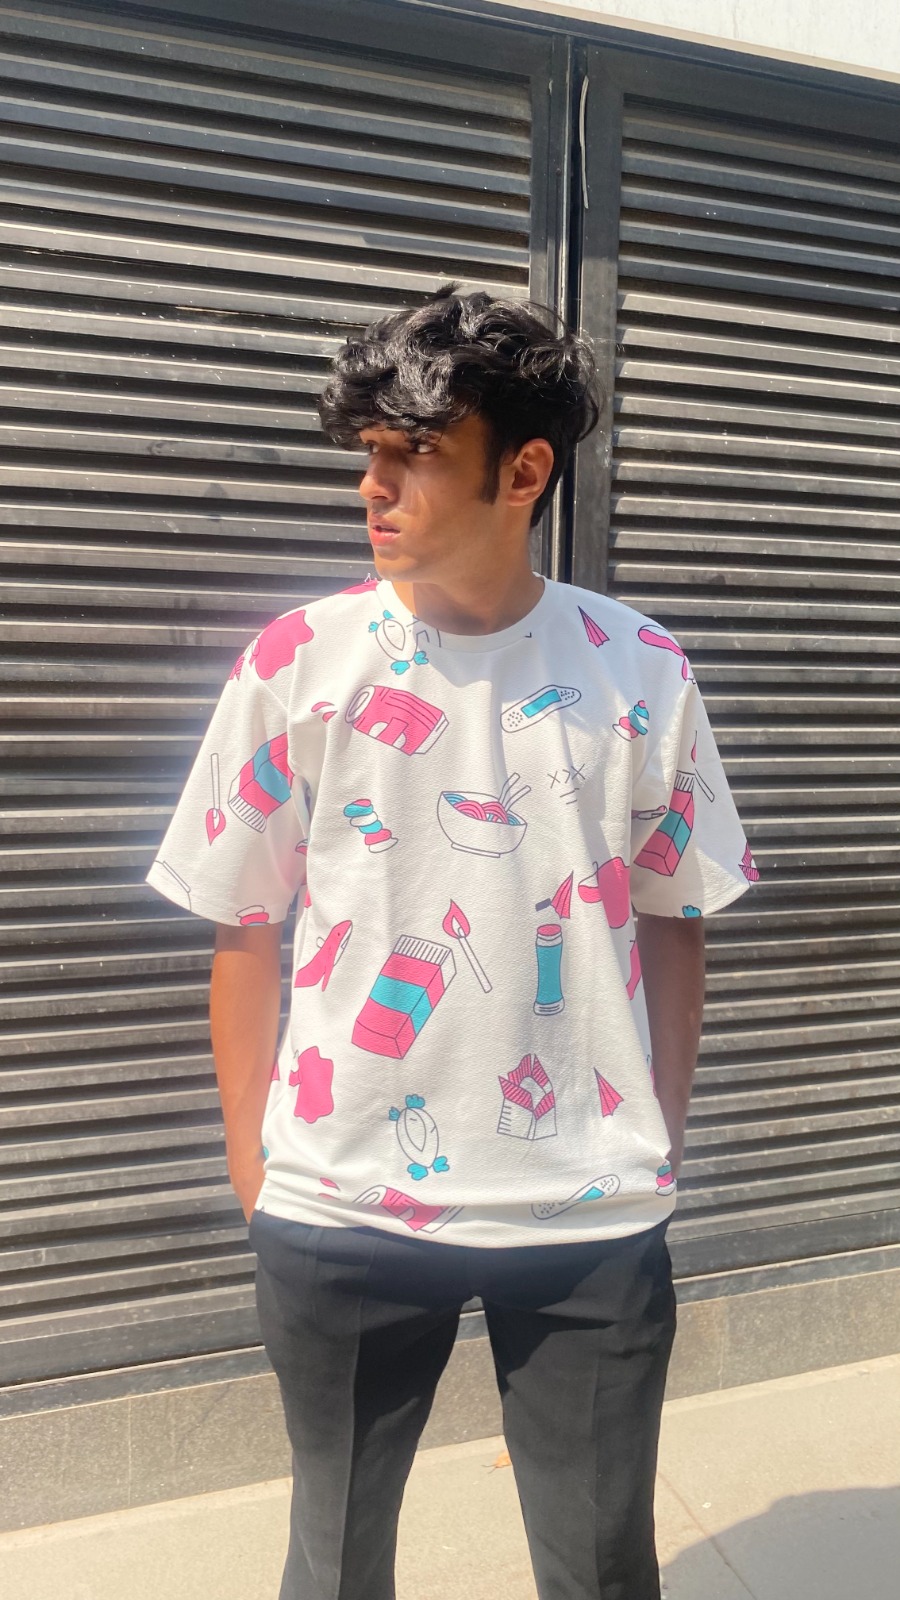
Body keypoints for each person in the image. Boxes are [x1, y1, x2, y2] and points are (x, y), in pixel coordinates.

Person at [146, 284, 757, 1600]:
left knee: (603, 1569)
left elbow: (677, 919)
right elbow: (244, 925)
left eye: (414, 452)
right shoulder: (298, 662)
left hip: (590, 1208)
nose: (373, 486)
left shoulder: (638, 666)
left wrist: (653, 1135)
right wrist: (260, 1173)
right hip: (342, 1203)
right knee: (334, 1558)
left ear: (523, 472)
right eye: (368, 451)